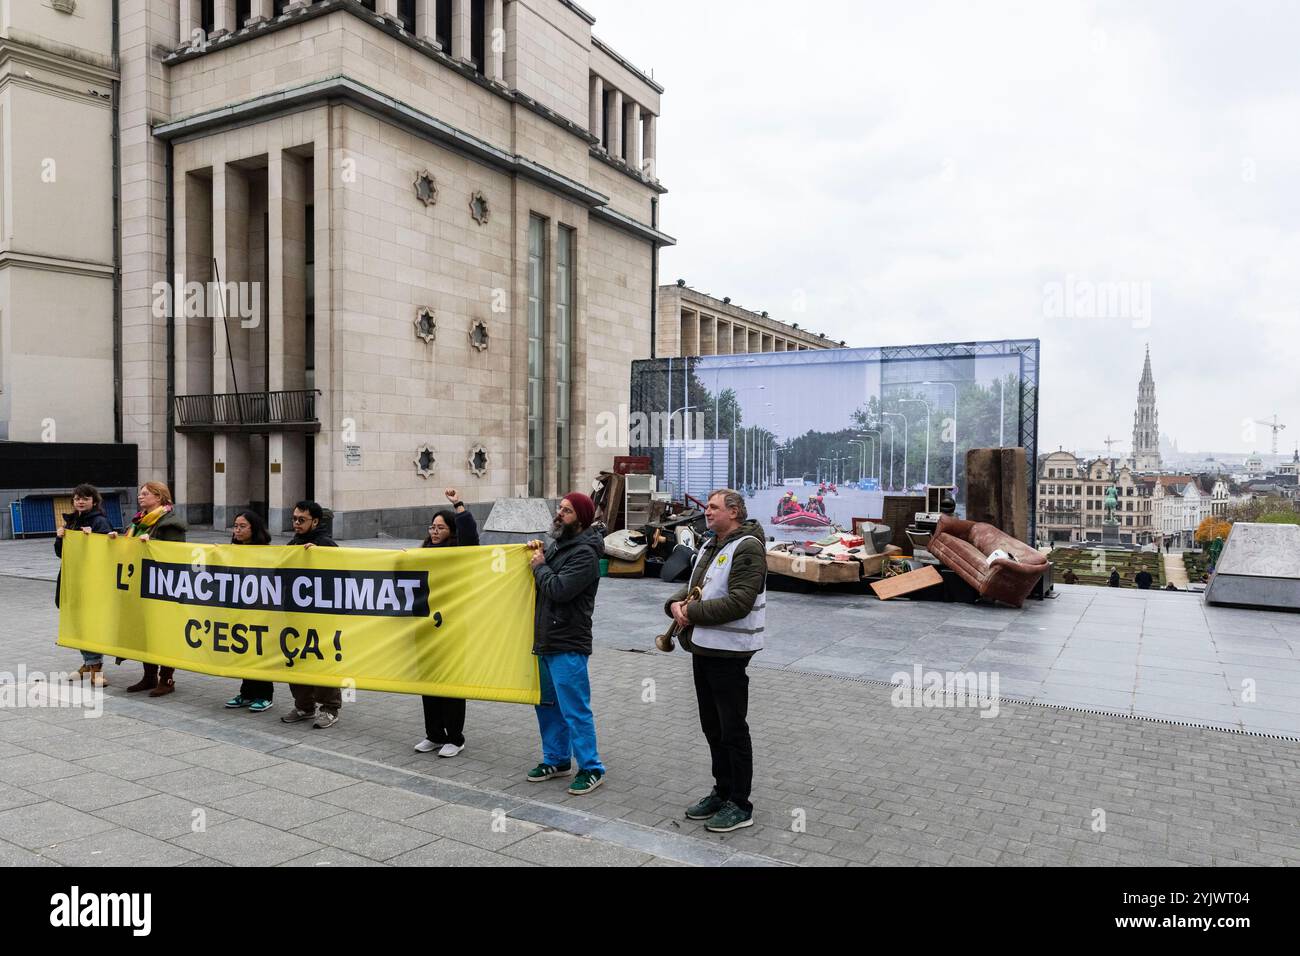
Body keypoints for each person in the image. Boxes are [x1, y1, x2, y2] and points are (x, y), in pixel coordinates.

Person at [664, 489, 767, 833]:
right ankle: (721, 790)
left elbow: (740, 601)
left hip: (729, 651)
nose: (706, 512)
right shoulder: (711, 544)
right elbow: (697, 586)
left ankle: (740, 803)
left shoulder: (747, 547)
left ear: (734, 512)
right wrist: (675, 605)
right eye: (707, 506)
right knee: (713, 726)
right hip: (704, 647)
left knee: (732, 728)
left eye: (713, 507)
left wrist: (690, 611)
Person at [524, 492, 606, 795]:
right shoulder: (561, 545)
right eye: (560, 508)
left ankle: (591, 767)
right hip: (546, 639)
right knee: (546, 705)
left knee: (574, 709)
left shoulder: (584, 554)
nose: (559, 514)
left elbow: (559, 589)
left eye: (567, 511)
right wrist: (541, 557)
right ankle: (556, 760)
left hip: (568, 642)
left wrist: (540, 566)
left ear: (581, 520)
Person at [414, 489, 478, 757]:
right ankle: (434, 734)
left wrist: (459, 507)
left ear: (451, 531)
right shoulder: (421, 553)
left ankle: (455, 737)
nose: (435, 531)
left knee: (450, 683)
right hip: (426, 628)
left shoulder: (458, 553)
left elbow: (472, 540)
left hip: (451, 628)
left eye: (441, 527)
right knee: (429, 682)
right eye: (432, 526)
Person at [111, 482, 187, 696]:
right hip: (140, 583)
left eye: (145, 494)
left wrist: (152, 543)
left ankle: (166, 678)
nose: (140, 497)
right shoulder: (138, 522)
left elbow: (174, 554)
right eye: (140, 494)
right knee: (145, 630)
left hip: (162, 586)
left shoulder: (170, 523)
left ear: (160, 496)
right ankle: (149, 675)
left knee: (162, 632)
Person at [280, 500, 343, 730]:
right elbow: (279, 573)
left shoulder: (327, 545)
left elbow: (342, 576)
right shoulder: (293, 544)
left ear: (315, 521)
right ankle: (303, 706)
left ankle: (330, 707)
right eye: (294, 519)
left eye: (301, 520)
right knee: (296, 659)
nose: (296, 523)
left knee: (322, 659)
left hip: (321, 615)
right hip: (296, 614)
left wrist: (317, 557)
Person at [55, 484, 115, 686]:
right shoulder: (71, 522)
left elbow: (107, 551)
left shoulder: (99, 522)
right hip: (72, 580)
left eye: (85, 498)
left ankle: (95, 668)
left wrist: (93, 540)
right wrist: (59, 538)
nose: (80, 501)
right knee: (79, 624)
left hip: (92, 582)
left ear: (94, 501)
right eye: (77, 498)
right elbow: (60, 553)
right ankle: (88, 664)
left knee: (90, 624)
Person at [224, 510, 275, 713]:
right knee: (244, 650)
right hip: (240, 609)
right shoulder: (232, 551)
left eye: (242, 526)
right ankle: (246, 692)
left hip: (261, 609)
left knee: (260, 652)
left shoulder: (267, 552)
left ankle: (264, 695)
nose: (237, 530)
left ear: (254, 529)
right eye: (235, 526)